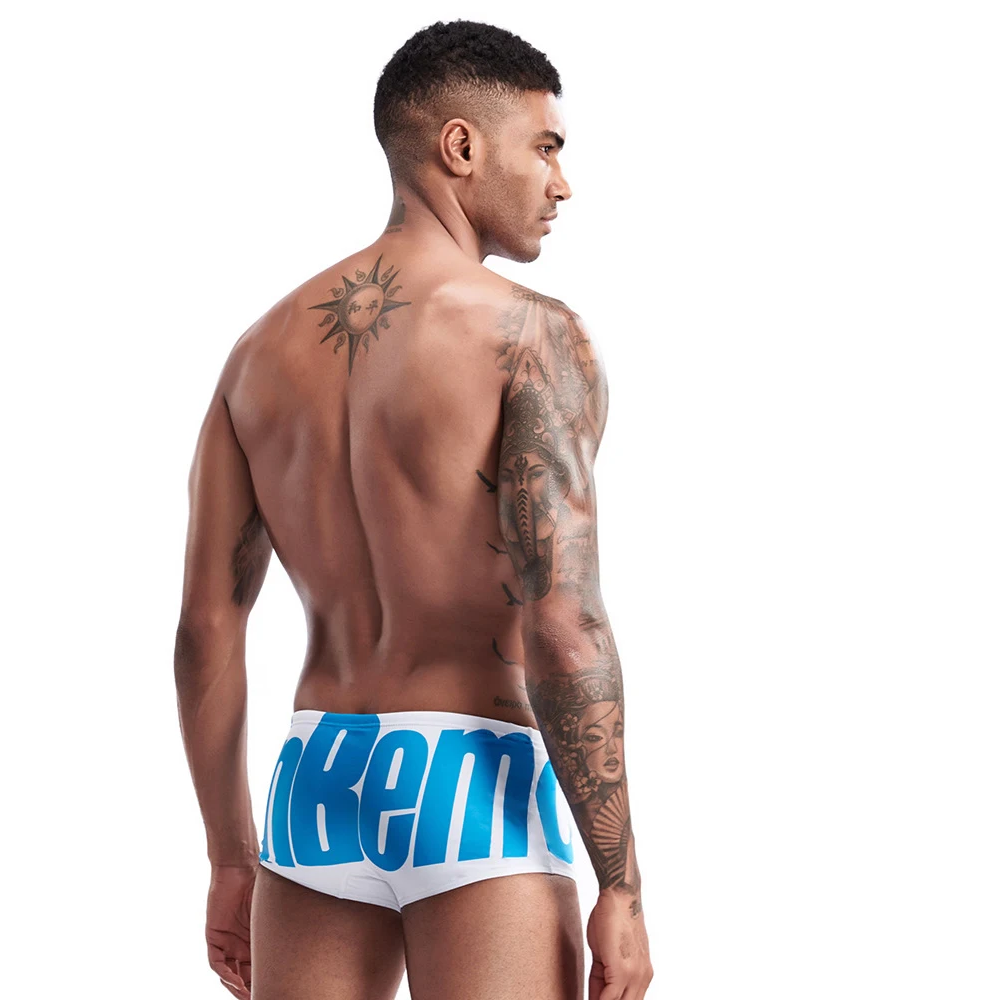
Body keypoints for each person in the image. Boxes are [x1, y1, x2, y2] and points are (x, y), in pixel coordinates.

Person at [174, 18, 653, 1000]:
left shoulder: (258, 354)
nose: (562, 183)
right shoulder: (531, 338)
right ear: (460, 147)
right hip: (472, 782)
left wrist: (228, 856)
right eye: (545, 147)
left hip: (316, 785)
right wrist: (622, 884)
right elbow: (564, 625)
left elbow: (204, 627)